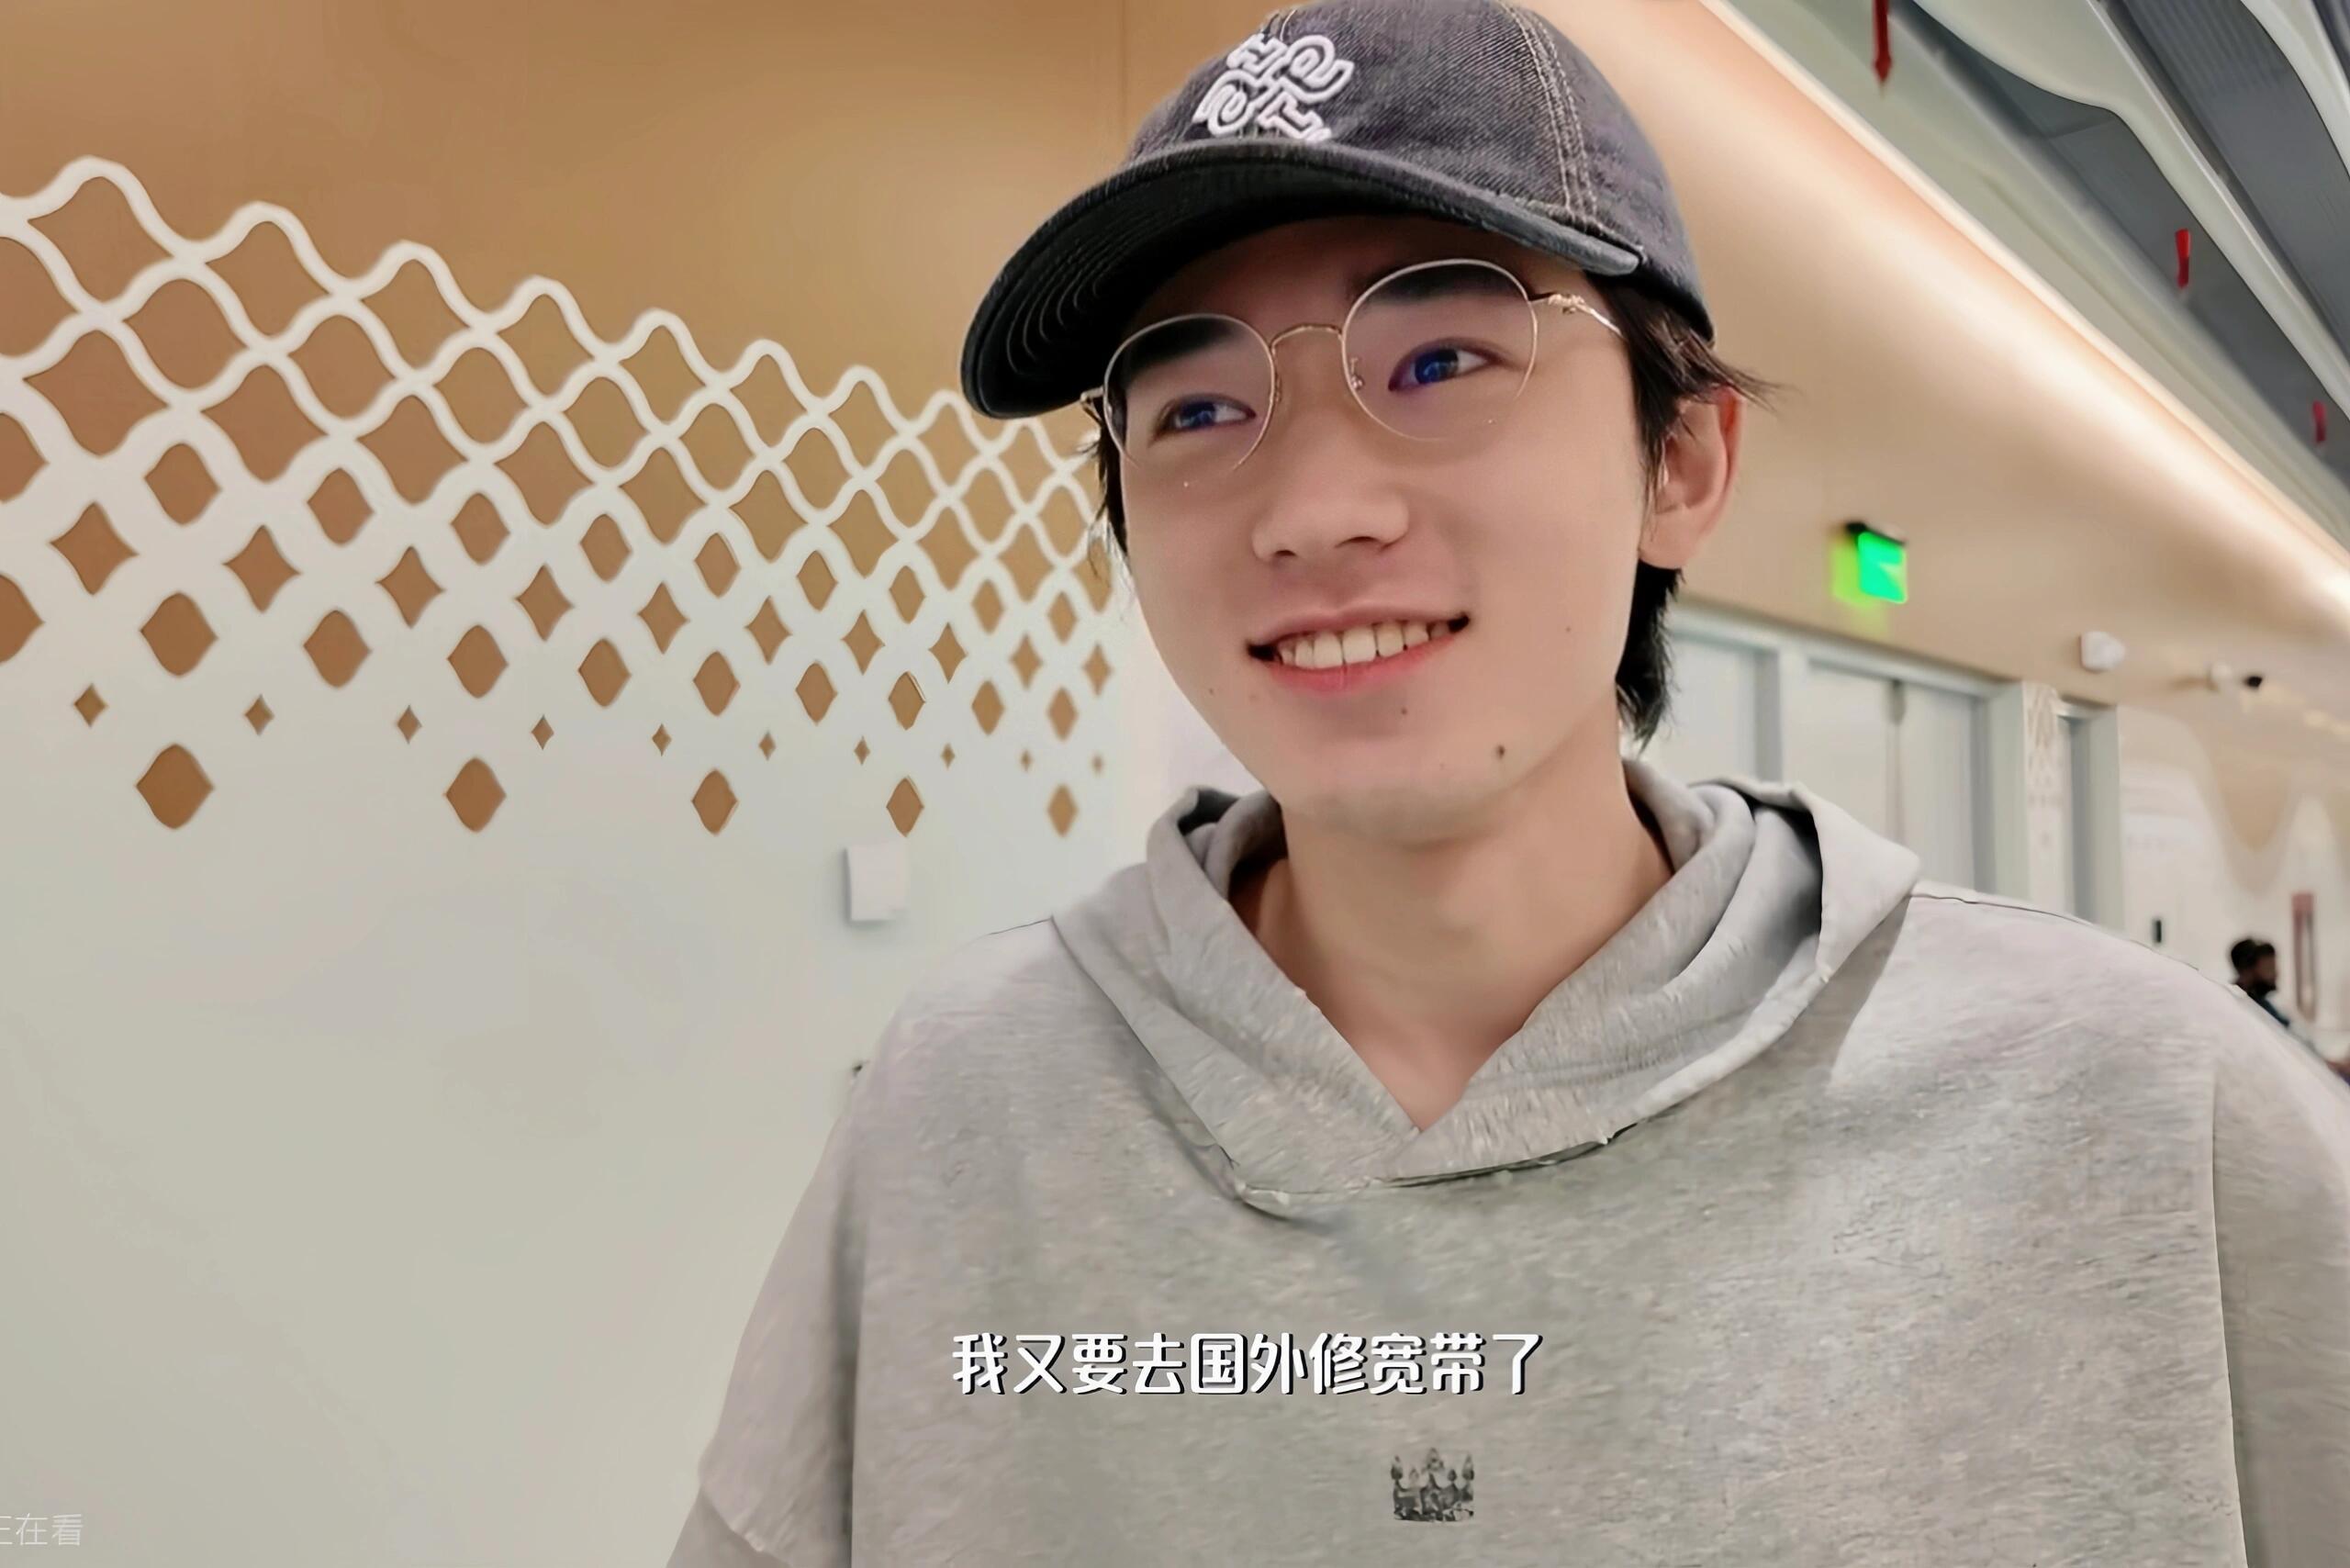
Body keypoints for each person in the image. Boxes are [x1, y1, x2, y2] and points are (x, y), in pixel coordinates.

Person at [668, 4, 2350, 1562]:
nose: (1312, 510)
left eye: (1440, 362)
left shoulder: (2148, 1112)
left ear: (1680, 461)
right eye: (1195, 410)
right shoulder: (965, 1101)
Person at [2232, 936, 2301, 1036]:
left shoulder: (2263, 1006)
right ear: (2246, 971)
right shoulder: (2239, 1009)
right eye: (2269, 968)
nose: (2275, 974)